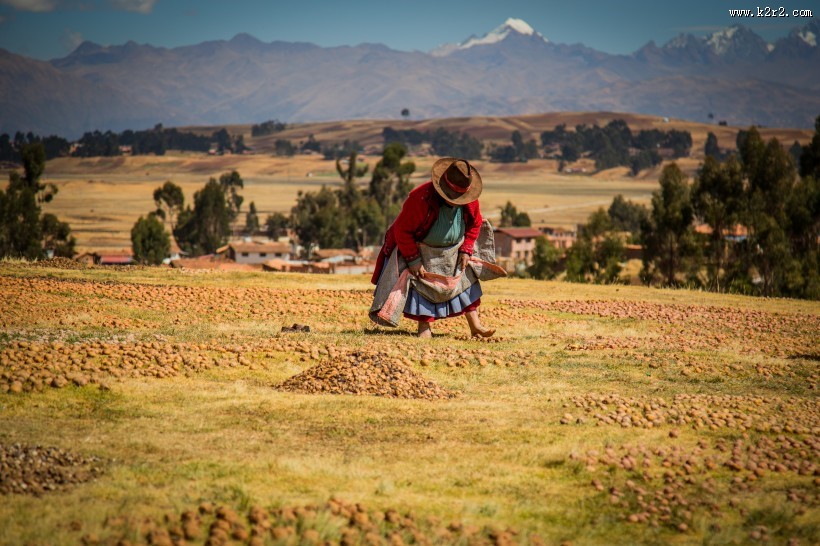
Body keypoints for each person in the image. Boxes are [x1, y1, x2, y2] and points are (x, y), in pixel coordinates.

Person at [370, 157, 498, 338]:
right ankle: (424, 329)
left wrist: (467, 249)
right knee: (423, 287)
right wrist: (413, 259)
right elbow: (402, 230)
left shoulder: (468, 198)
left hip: (455, 250)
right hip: (423, 250)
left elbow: (475, 223)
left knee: (465, 282)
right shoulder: (420, 198)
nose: (458, 201)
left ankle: (475, 325)